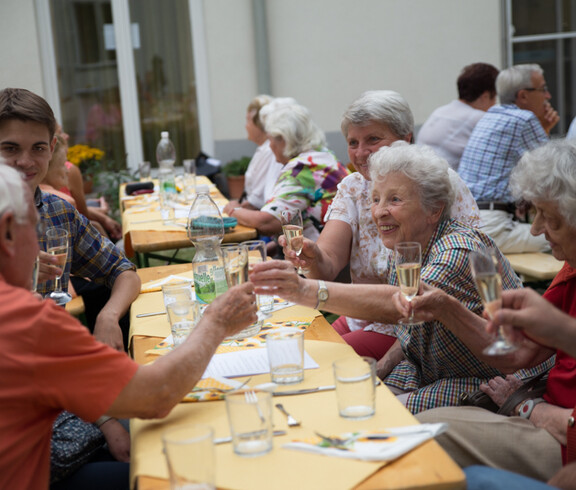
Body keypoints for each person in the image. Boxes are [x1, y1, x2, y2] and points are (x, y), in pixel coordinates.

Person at [0, 163, 258, 489]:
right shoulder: (23, 318)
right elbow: (156, 395)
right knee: (192, 469)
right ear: (9, 231)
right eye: (34, 229)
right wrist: (217, 322)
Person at [251, 142, 546, 414]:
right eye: (376, 199)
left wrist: (306, 290)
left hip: (499, 382)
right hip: (429, 368)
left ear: (434, 209)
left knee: (371, 413)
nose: (379, 212)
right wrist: (382, 368)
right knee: (345, 396)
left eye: (394, 200)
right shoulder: (408, 249)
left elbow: (404, 305)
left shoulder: (458, 249)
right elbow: (409, 333)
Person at [414, 139, 576, 482]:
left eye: (550, 217)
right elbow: (519, 353)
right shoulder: (571, 268)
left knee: (422, 436)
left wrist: (528, 408)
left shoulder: (458, 245)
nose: (535, 229)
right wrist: (447, 307)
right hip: (545, 413)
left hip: (561, 439)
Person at [282, 90, 480, 359]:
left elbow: (470, 267)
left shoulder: (439, 183)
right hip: (361, 316)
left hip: (416, 327)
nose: (361, 153)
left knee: (320, 360)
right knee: (290, 348)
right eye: (353, 142)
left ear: (406, 138)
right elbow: (326, 266)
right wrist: (311, 255)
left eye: (373, 139)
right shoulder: (354, 187)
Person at [0, 87, 135, 351]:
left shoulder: (58, 212)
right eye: (10, 148)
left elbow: (124, 271)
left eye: (38, 148)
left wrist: (107, 316)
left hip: (53, 360)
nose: (25, 161)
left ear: (51, 150)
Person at [458, 63, 559, 253]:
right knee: (565, 237)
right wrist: (544, 128)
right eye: (543, 89)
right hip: (493, 227)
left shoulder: (489, 116)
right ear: (523, 96)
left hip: (469, 220)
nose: (548, 96)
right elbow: (554, 174)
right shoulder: (524, 119)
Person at [224, 103, 349, 240]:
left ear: (283, 140)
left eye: (270, 140)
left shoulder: (302, 168)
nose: (270, 146)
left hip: (324, 253)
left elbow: (267, 222)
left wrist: (233, 210)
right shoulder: (323, 155)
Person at [416, 62, 499, 170]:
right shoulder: (480, 118)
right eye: (495, 98)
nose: (495, 104)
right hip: (445, 182)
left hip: (419, 175)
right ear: (485, 96)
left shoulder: (440, 111)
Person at [225, 95, 284, 211]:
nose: (246, 126)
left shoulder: (270, 151)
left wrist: (233, 210)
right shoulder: (263, 149)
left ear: (260, 124)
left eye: (248, 120)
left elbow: (256, 202)